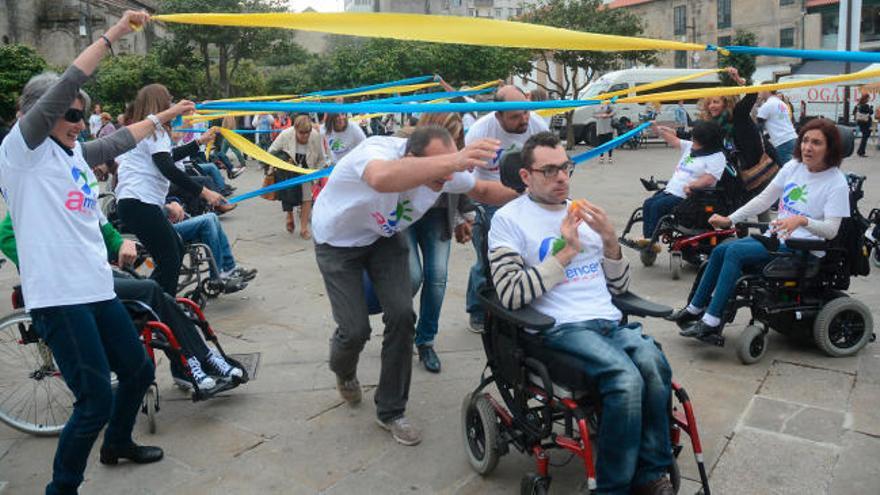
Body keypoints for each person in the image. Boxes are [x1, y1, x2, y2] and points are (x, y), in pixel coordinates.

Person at [0, 11, 178, 493]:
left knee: (139, 369)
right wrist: (116, 33)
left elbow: (121, 138)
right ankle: (62, 487)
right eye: (72, 113)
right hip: (59, 296)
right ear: (39, 113)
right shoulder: (23, 153)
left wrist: (168, 114)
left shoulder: (71, 154)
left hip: (96, 287)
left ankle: (117, 443)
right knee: (94, 399)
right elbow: (70, 80)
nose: (81, 122)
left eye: (83, 114)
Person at [488, 131, 674, 495]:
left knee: (654, 363)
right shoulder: (508, 220)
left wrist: (609, 243)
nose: (562, 177)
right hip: (558, 329)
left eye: (566, 167)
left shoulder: (583, 212)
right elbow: (509, 294)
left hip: (605, 320)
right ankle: (612, 487)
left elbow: (618, 289)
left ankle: (651, 474)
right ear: (525, 176)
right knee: (624, 378)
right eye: (550, 170)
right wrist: (564, 254)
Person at [311, 126, 517, 446]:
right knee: (353, 330)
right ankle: (344, 370)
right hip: (337, 242)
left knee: (403, 315)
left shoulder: (445, 170)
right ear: (409, 157)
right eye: (439, 166)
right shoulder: (375, 152)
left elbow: (484, 191)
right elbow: (381, 178)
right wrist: (451, 161)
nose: (445, 175)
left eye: (449, 164)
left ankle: (391, 410)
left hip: (384, 241)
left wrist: (533, 189)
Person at [0, 213, 245, 390]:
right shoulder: (37, 193)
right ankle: (196, 360)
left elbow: (103, 227)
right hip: (71, 283)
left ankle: (197, 359)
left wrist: (120, 243)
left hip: (98, 273)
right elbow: (6, 235)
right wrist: (47, 262)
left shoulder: (77, 185)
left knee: (162, 299)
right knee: (151, 291)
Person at [672, 118, 850, 339]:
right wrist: (730, 219)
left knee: (735, 253)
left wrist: (803, 222)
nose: (807, 147)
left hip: (803, 249)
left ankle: (712, 319)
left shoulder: (836, 182)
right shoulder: (794, 166)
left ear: (830, 148)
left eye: (816, 143)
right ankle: (694, 309)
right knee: (720, 249)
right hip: (778, 239)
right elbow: (764, 200)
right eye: (805, 140)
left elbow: (832, 231)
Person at [115, 83, 226, 295]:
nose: (172, 105)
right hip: (139, 202)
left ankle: (145, 289)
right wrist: (204, 192)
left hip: (137, 202)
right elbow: (167, 167)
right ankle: (152, 302)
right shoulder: (156, 131)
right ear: (161, 104)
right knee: (169, 259)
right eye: (169, 101)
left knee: (174, 248)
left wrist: (197, 143)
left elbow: (168, 157)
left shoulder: (147, 131)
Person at [464, 85, 550, 333]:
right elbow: (465, 177)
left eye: (525, 112)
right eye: (515, 116)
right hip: (489, 199)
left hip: (528, 196)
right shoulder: (481, 131)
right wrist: (465, 214)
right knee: (488, 260)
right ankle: (477, 310)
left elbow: (554, 161)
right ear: (498, 116)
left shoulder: (536, 125)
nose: (524, 119)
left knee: (530, 253)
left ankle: (522, 304)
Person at [405, 113, 475, 373]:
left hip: (438, 216)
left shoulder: (458, 150)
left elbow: (464, 183)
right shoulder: (405, 146)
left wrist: (465, 218)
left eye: (457, 139)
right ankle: (401, 321)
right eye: (450, 137)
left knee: (437, 277)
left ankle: (425, 341)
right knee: (411, 276)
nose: (453, 146)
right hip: (404, 217)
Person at [639, 121, 727, 244]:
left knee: (656, 207)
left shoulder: (716, 156)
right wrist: (657, 129)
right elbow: (674, 140)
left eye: (695, 140)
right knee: (648, 203)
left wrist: (692, 185)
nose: (692, 140)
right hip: (671, 190)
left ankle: (652, 242)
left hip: (688, 196)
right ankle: (648, 238)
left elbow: (710, 178)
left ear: (706, 142)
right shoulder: (692, 147)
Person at [164, 201, 256, 290]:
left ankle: (229, 268)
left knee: (212, 216)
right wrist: (167, 209)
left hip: (168, 221)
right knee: (207, 221)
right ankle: (218, 275)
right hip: (162, 228)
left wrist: (173, 203)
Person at [268, 114, 326, 238]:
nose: (305, 136)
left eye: (307, 133)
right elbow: (271, 151)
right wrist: (282, 161)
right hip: (287, 171)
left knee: (307, 198)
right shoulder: (285, 135)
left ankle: (304, 228)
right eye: (301, 133)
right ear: (295, 130)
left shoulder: (315, 136)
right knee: (288, 195)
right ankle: (289, 215)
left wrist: (317, 175)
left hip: (306, 171)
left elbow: (321, 158)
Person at [757, 90, 798, 165]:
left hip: (782, 142)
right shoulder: (782, 103)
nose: (759, 93)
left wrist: (757, 103)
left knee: (789, 171)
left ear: (767, 90)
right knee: (796, 168)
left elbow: (758, 125)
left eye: (761, 90)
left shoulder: (767, 105)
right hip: (793, 138)